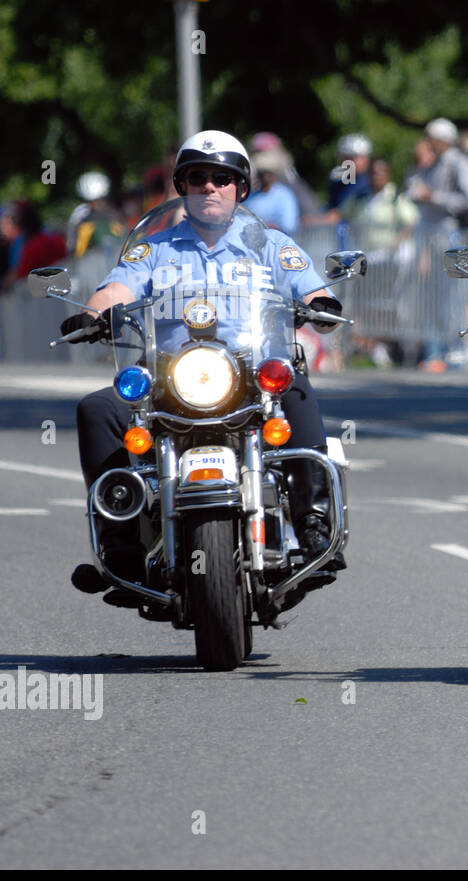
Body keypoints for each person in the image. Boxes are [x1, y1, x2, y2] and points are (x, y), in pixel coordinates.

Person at [58, 130, 348, 593]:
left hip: (251, 373)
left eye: (221, 178)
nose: (210, 187)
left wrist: (321, 304)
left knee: (290, 381)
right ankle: (119, 543)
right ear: (182, 187)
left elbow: (312, 288)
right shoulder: (153, 250)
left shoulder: (271, 245)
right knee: (97, 409)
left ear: (241, 189)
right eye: (197, 178)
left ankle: (315, 524)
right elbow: (116, 289)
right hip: (172, 377)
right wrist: (93, 314)